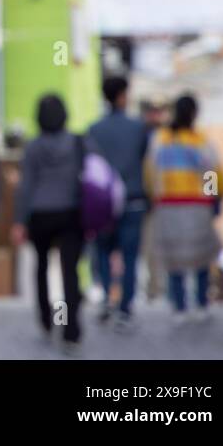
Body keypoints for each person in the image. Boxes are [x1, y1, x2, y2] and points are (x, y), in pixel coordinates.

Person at [13, 94, 84, 351]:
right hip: (70, 212)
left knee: (41, 268)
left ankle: (46, 319)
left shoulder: (33, 147)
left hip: (40, 213)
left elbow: (25, 187)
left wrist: (19, 221)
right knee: (70, 272)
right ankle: (71, 330)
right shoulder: (77, 142)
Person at [148, 95, 221, 323]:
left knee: (174, 257)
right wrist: (212, 199)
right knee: (200, 255)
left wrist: (156, 197)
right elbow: (212, 172)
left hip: (169, 205)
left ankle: (179, 306)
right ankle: (201, 303)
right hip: (197, 205)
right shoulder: (201, 140)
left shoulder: (161, 139)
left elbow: (150, 174)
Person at [86, 76, 150, 328]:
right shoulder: (138, 127)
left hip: (103, 200)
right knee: (130, 254)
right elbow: (143, 156)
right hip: (133, 197)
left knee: (102, 249)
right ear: (123, 95)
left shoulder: (95, 129)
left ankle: (105, 299)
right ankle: (125, 306)